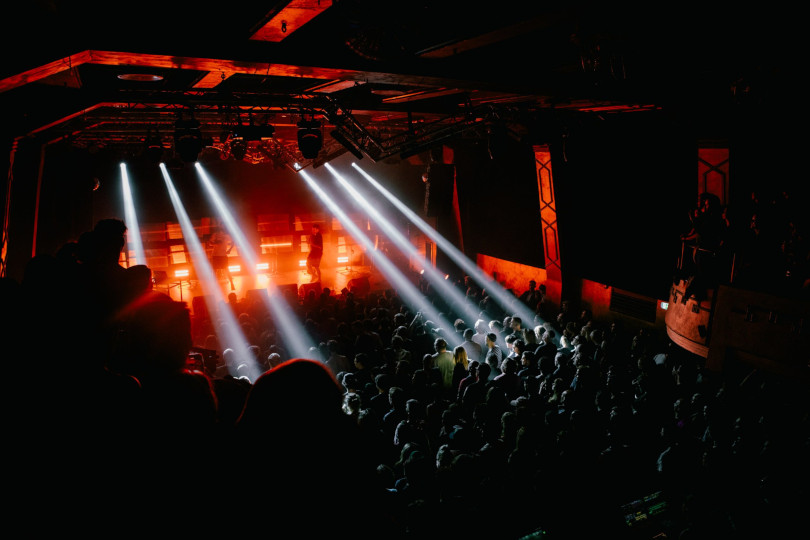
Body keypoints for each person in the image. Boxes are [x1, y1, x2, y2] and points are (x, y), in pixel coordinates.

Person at [207, 225, 234, 290]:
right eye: (219, 231)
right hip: (215, 255)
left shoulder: (226, 236)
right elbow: (209, 243)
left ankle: (232, 283)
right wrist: (215, 243)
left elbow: (233, 242)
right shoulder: (215, 235)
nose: (220, 233)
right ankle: (214, 285)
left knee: (226, 269)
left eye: (222, 231)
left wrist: (229, 250)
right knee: (214, 271)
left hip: (223, 255)